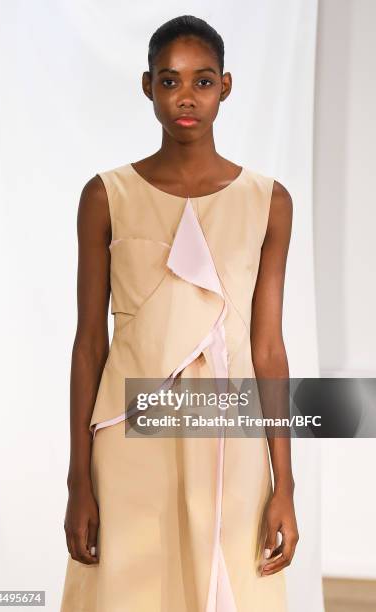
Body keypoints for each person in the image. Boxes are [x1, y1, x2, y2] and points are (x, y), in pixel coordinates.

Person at [60, 14, 298, 612]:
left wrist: (284, 483)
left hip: (231, 438)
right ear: (147, 87)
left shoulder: (267, 201)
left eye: (203, 81)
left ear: (226, 87)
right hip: (129, 438)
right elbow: (90, 343)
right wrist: (78, 479)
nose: (187, 97)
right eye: (170, 82)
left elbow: (267, 348)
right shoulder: (105, 196)